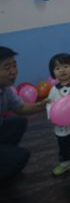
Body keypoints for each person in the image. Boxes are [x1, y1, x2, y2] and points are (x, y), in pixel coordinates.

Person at [0, 47, 48, 180]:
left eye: (14, 66)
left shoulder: (6, 89)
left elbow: (20, 108)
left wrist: (43, 106)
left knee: (19, 122)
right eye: (7, 68)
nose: (13, 71)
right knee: (21, 157)